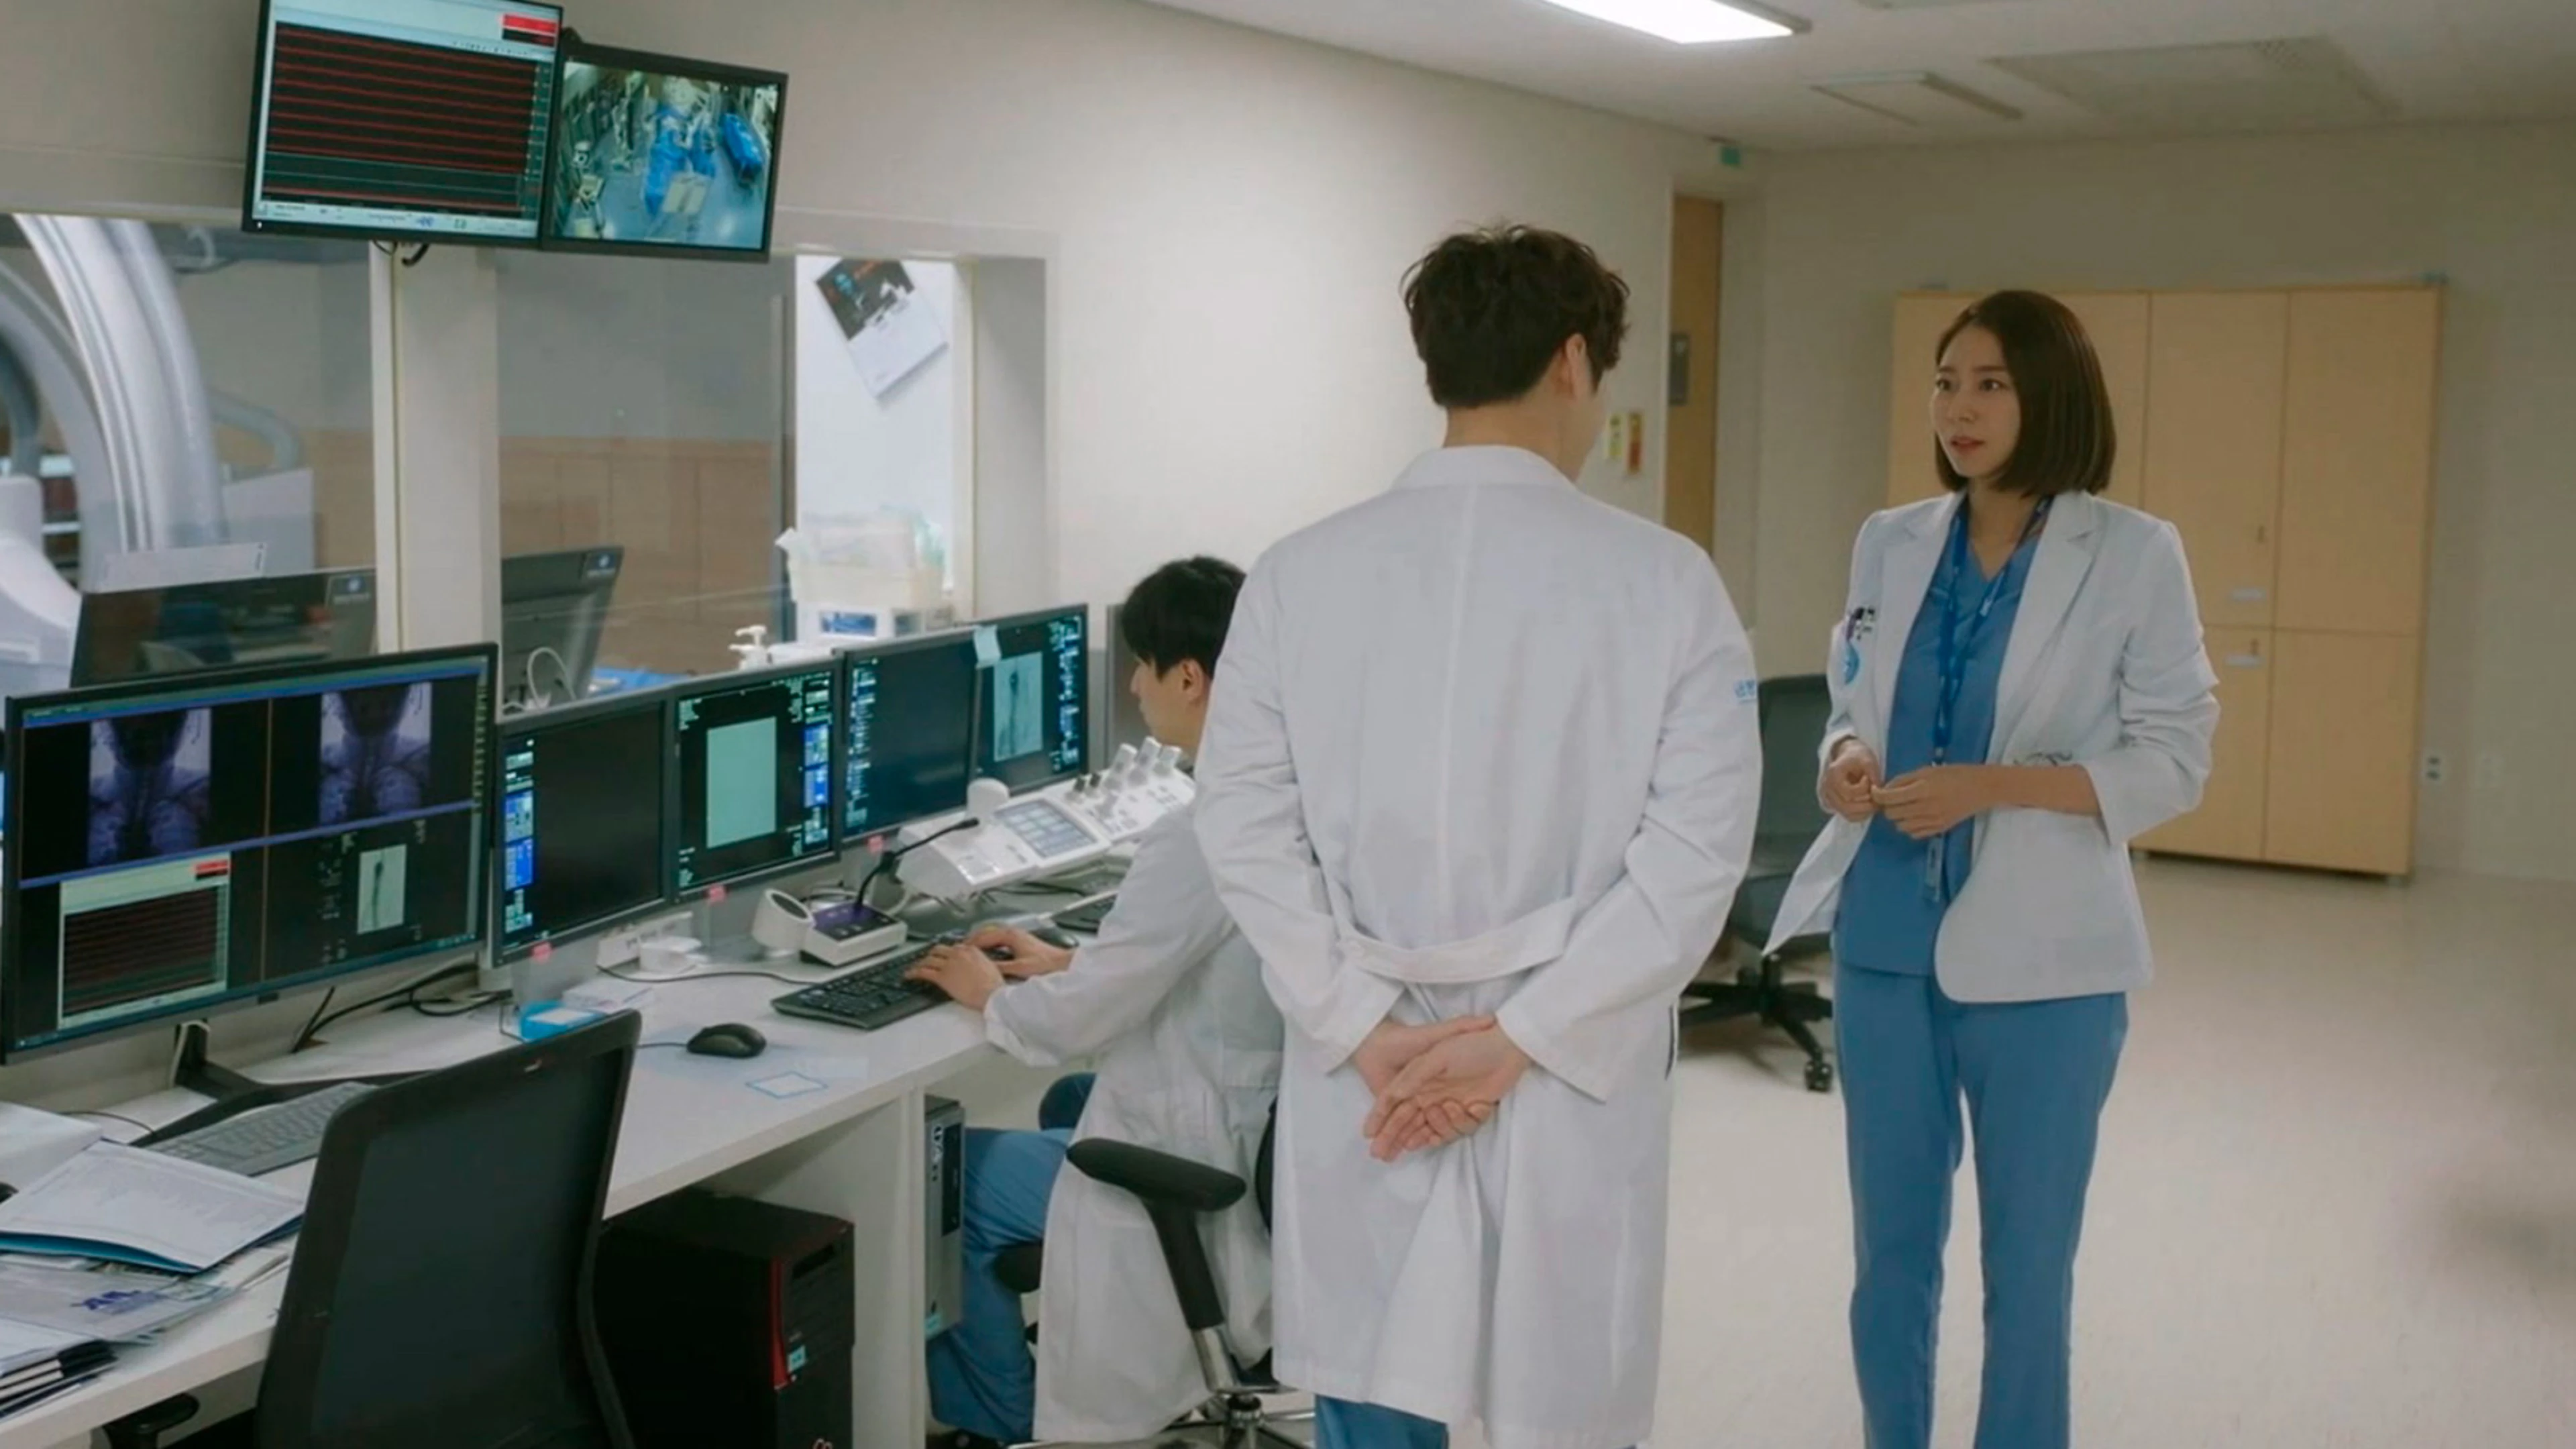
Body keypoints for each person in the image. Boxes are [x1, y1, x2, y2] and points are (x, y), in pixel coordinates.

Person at [1192, 226, 1762, 1449]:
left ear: (1436, 363)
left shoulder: (1296, 573)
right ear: (1575, 362)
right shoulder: (1665, 581)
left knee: (1380, 1389)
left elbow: (1240, 824)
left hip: (1374, 1067)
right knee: (1560, 1392)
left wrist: (1361, 1026)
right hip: (1566, 1064)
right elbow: (1693, 861)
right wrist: (1522, 1040)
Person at [1764, 290, 2219, 1449]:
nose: (1957, 409)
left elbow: (2174, 760)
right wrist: (1843, 760)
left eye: (1990, 384)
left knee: (2028, 1272)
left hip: (2047, 969)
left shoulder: (2134, 554)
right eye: (1945, 382)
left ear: (2051, 396)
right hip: (1882, 947)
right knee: (1888, 1262)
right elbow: (1854, 700)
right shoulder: (1891, 539)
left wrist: (1996, 785)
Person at [909, 557, 1285, 1448]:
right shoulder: (1281, 796)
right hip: (1254, 1126)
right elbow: (1212, 961)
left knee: (943, 1179)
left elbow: (1084, 1019)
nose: (1133, 686)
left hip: (1201, 1150)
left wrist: (991, 995)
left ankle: (1002, 1422)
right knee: (1065, 1102)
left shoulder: (1201, 832)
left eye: (1142, 666)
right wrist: (1071, 958)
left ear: (1188, 678)